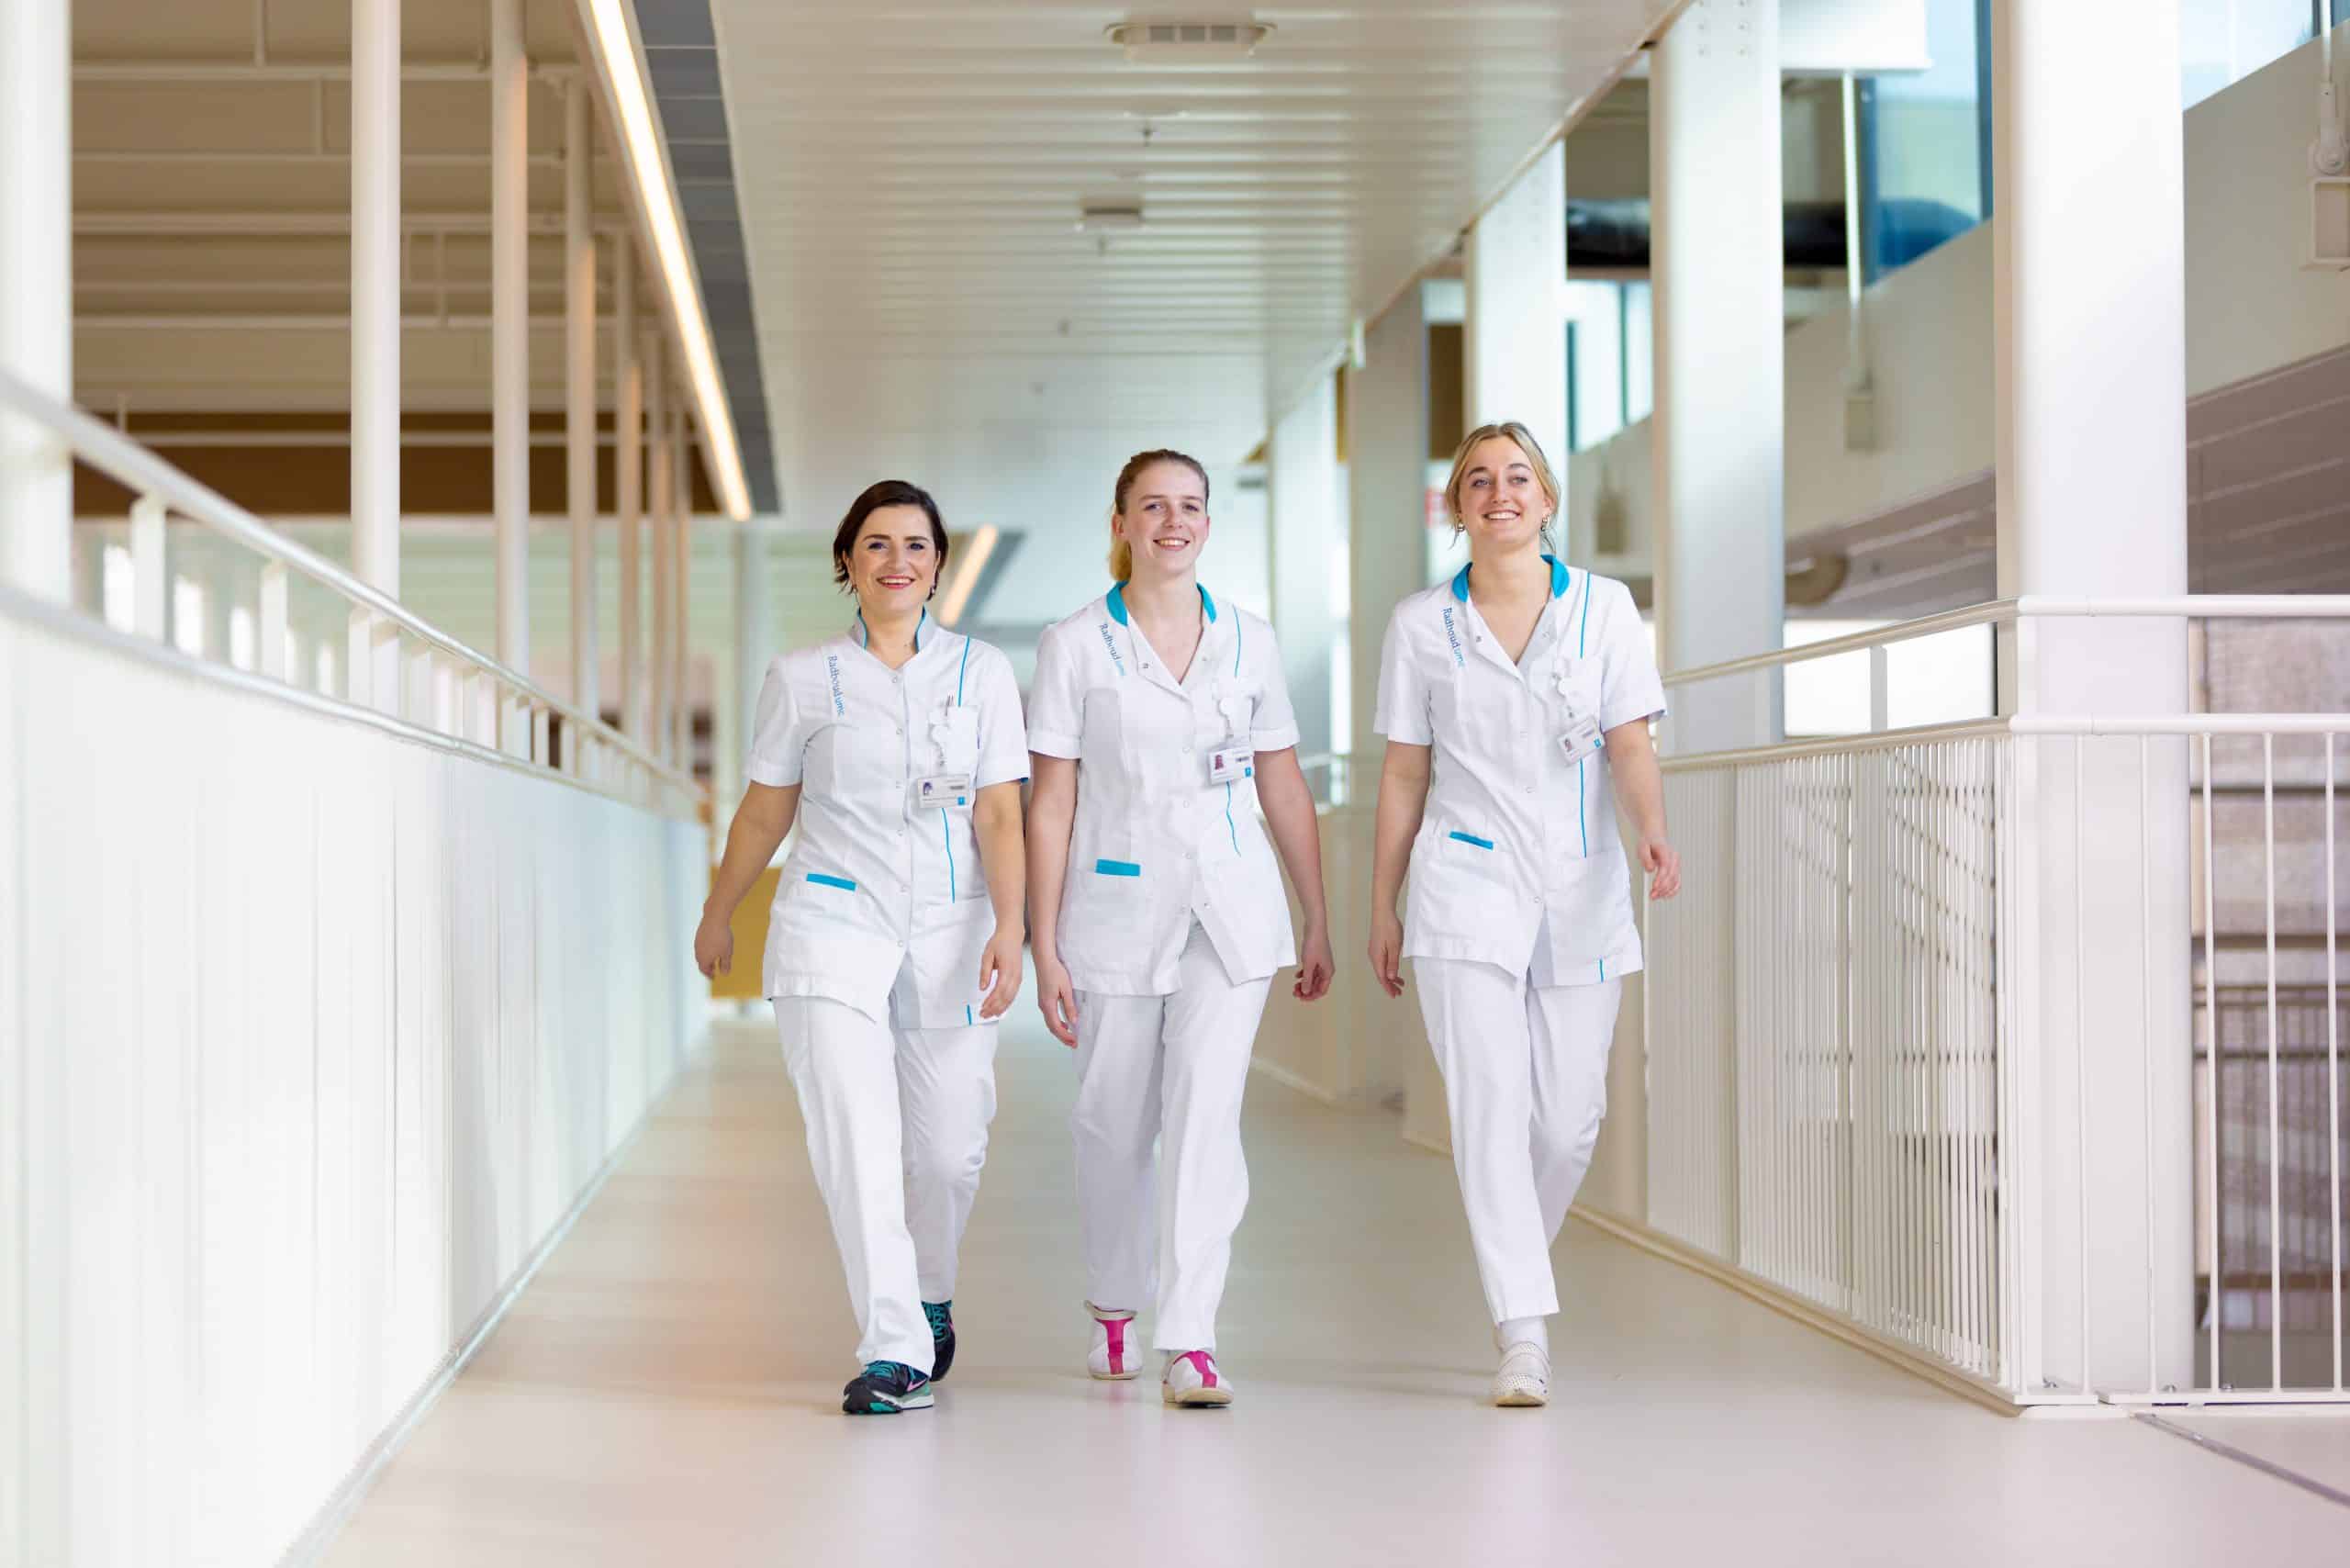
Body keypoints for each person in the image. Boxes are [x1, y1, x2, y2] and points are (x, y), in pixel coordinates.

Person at [695, 479, 1029, 1416]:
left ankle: (929, 1293)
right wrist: (721, 908)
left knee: (949, 1151)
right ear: (847, 560)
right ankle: (894, 1348)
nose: (897, 560)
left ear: (938, 564)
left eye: (915, 544)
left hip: (955, 926)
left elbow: (1002, 813)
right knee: (855, 1138)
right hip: (830, 921)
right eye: (876, 544)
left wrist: (1010, 925)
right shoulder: (802, 676)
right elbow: (766, 809)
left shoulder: (982, 674)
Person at [1367, 421, 1681, 1408]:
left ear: (1546, 499)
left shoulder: (1604, 607)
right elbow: (1404, 771)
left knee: (1570, 1124)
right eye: (1477, 480)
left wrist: (1651, 829)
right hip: (1461, 886)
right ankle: (1523, 1332)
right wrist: (1381, 902)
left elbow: (1629, 740)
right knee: (1491, 1108)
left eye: (1516, 478)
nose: (1498, 493)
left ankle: (1514, 1274)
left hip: (1582, 885)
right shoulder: (1422, 624)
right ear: (1455, 506)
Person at [1025, 449, 1335, 1408]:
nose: (1173, 521)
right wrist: (1042, 941)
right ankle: (1115, 1306)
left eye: (1190, 505)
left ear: (1208, 522)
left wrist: (1315, 911)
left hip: (1231, 907)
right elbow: (1050, 801)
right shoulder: (1075, 643)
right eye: (1152, 506)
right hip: (1114, 907)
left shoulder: (1250, 638)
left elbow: (1281, 779)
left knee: (1206, 1115)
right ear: (1121, 522)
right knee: (1113, 1120)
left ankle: (1191, 1337)